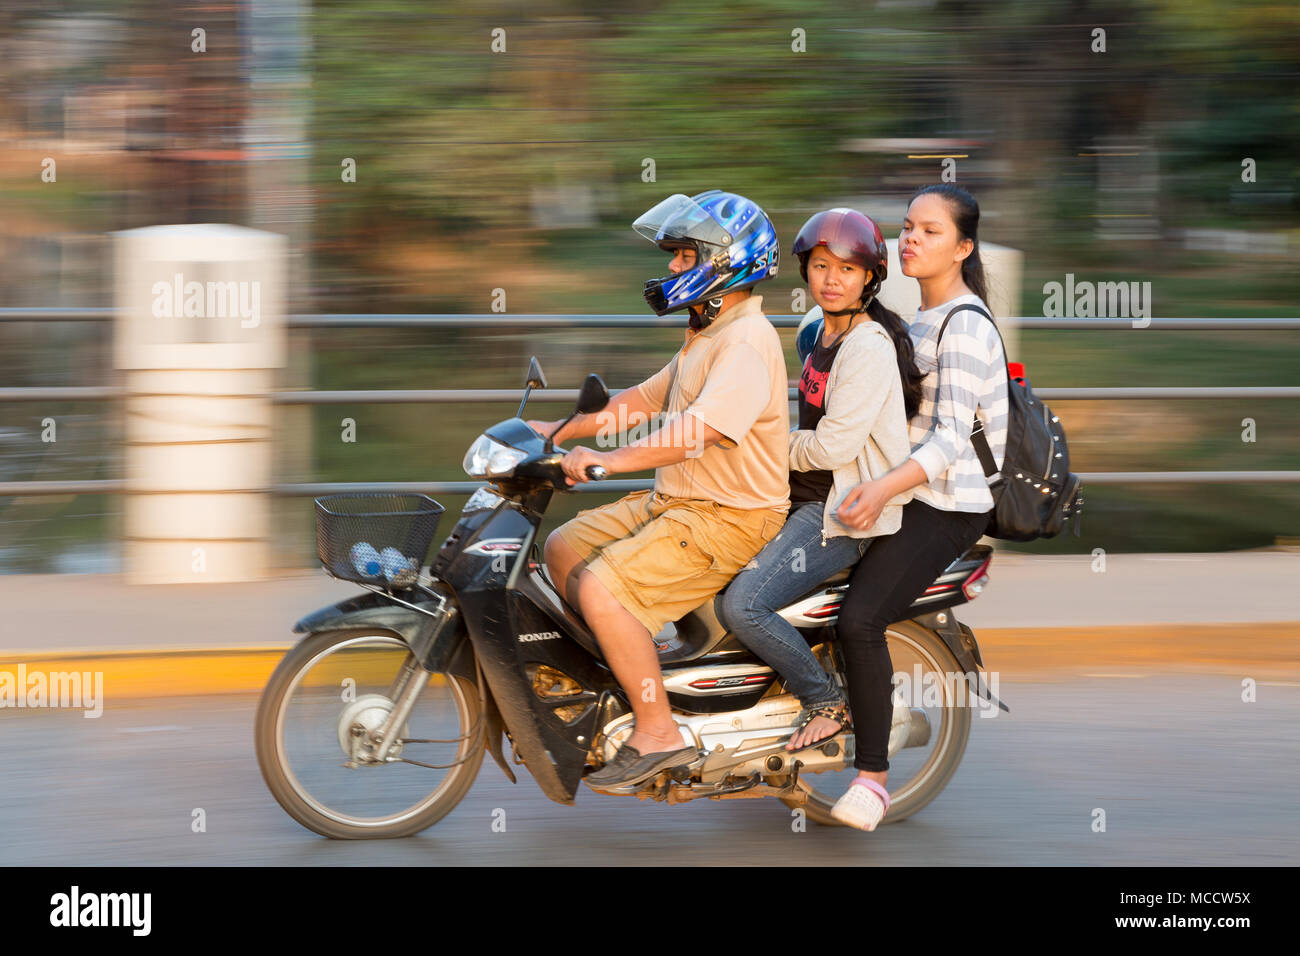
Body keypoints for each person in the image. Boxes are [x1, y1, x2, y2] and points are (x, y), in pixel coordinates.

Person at [526, 189, 791, 790]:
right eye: (673, 255)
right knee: (562, 549)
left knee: (601, 588)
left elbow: (694, 434)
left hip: (728, 518)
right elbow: (638, 404)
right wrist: (552, 431)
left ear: (727, 262)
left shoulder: (746, 344)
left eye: (684, 256)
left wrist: (608, 463)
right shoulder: (707, 336)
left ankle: (658, 730)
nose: (672, 267)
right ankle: (621, 674)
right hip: (676, 503)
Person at [827, 183, 1009, 830]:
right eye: (907, 227)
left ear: (963, 247)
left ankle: (872, 779)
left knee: (859, 619)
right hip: (899, 488)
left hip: (944, 504)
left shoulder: (965, 325)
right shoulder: (911, 319)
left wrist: (878, 488)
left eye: (930, 231)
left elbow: (948, 442)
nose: (911, 239)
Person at [716, 207, 923, 763]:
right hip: (799, 494)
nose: (832, 279)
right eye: (821, 266)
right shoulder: (819, 332)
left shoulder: (868, 347)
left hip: (841, 509)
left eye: (848, 270)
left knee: (743, 607)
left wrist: (763, 446)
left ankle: (825, 700)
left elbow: (832, 447)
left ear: (869, 279)